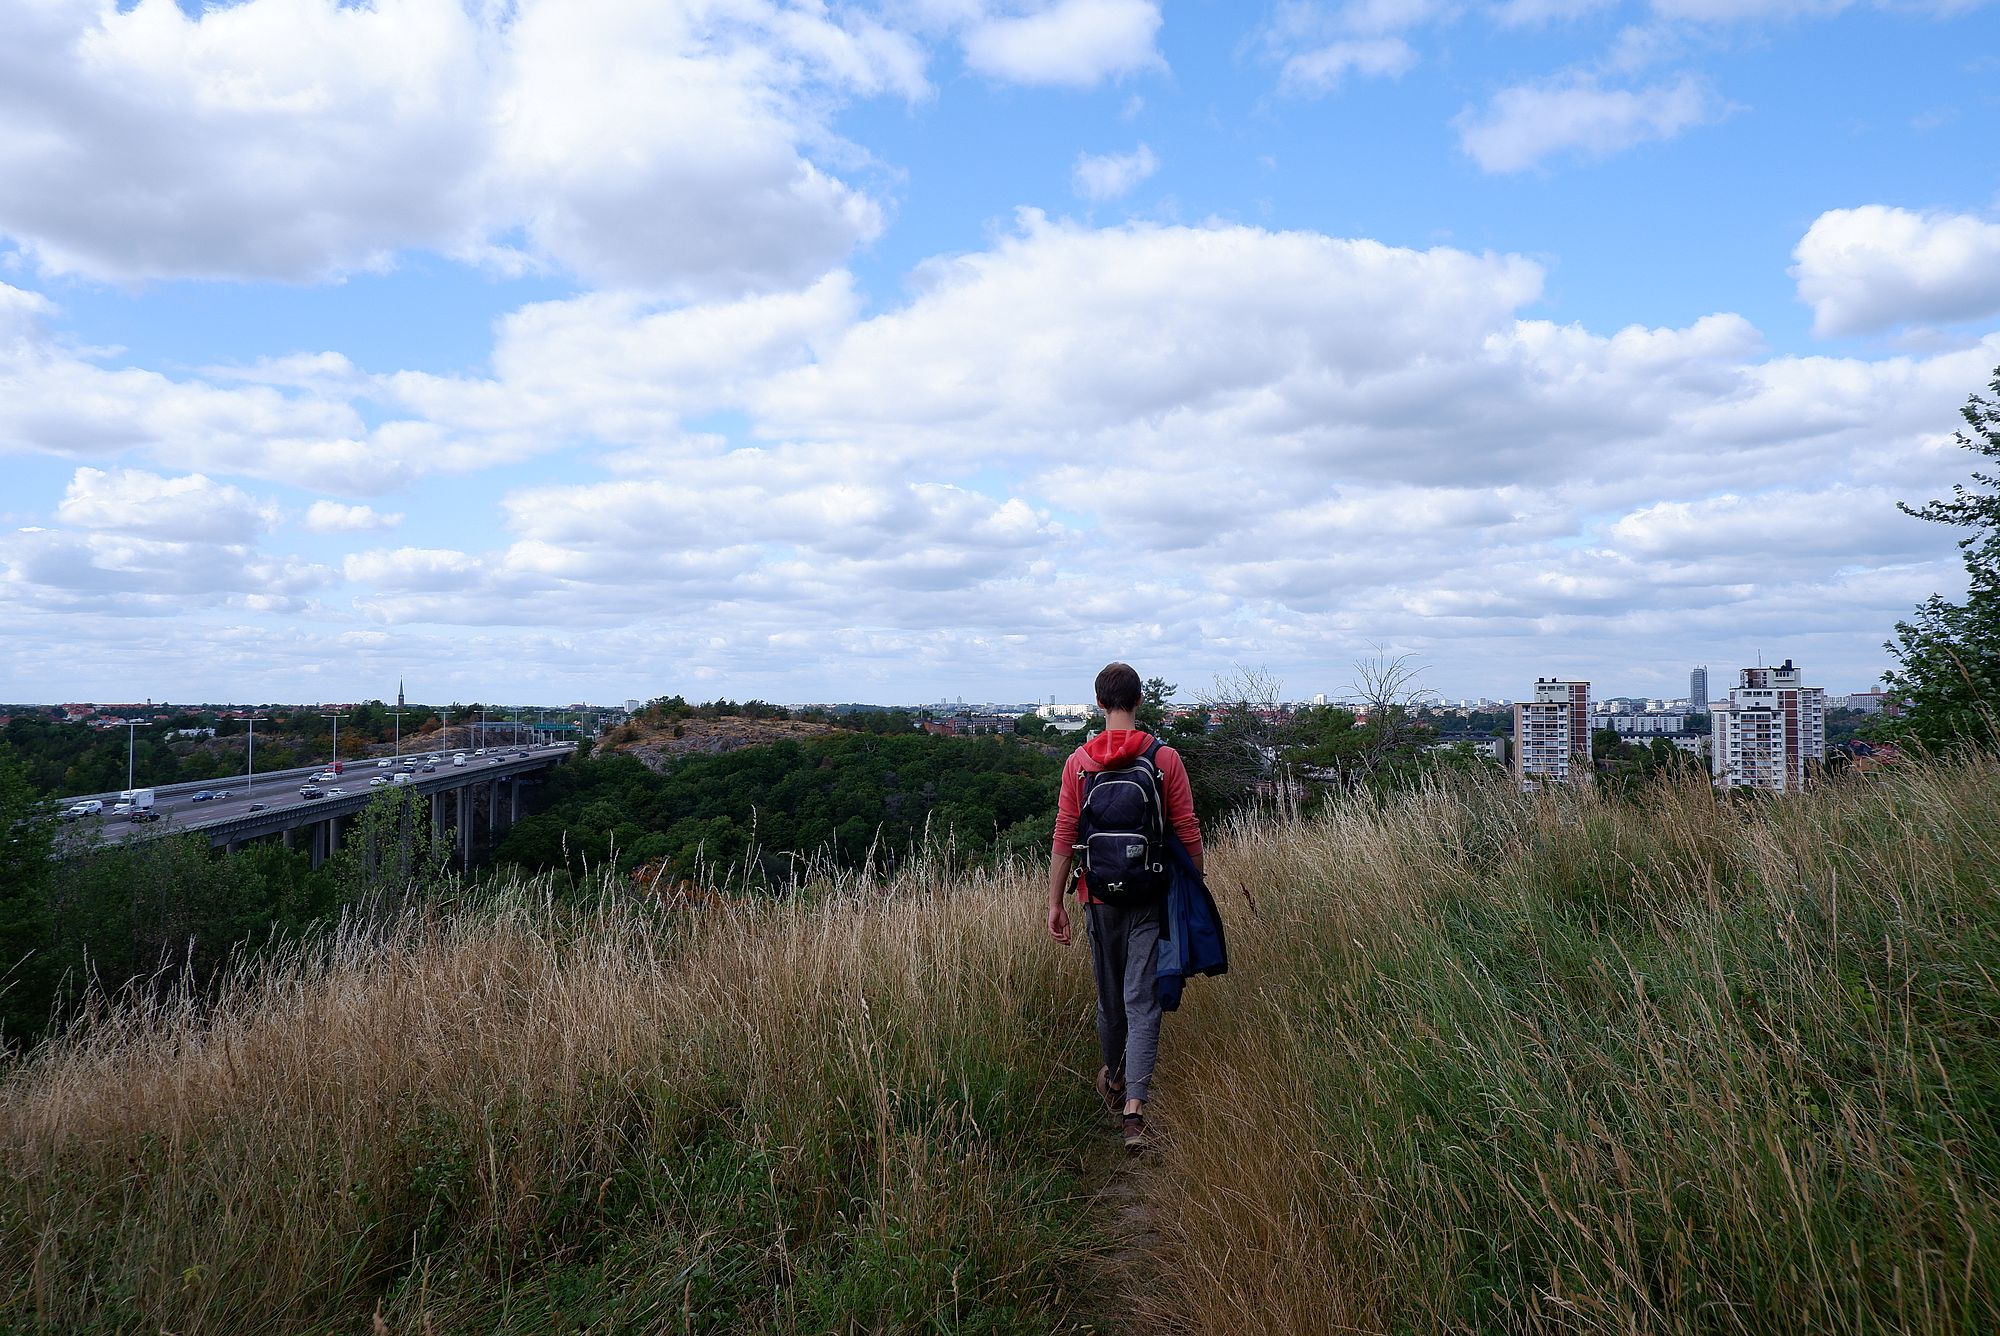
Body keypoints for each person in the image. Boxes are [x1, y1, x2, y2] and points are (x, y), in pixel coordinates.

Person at [1047, 662, 1203, 1149]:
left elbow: (1065, 837)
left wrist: (1055, 902)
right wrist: (1192, 890)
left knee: (1110, 998)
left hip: (1097, 897)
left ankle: (1114, 1080)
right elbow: (1187, 828)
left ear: (1098, 703)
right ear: (1139, 700)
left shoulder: (1079, 763)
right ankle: (1135, 1109)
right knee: (1142, 998)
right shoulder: (1163, 759)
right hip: (1151, 894)